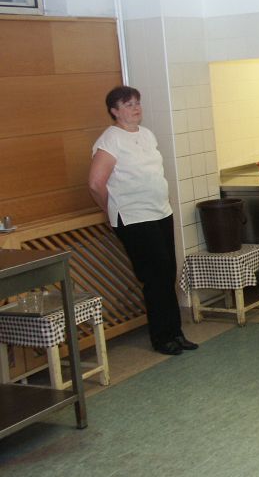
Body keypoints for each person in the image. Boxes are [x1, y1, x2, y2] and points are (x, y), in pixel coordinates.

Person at [88, 86, 198, 356]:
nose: (136, 108)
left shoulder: (146, 134)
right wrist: (110, 209)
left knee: (168, 272)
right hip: (134, 217)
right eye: (128, 104)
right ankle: (162, 338)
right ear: (114, 111)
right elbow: (95, 183)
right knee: (154, 276)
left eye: (137, 102)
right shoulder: (110, 140)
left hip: (159, 211)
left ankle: (175, 332)